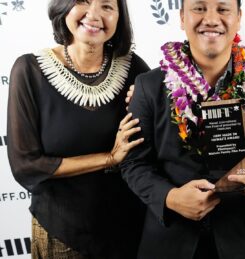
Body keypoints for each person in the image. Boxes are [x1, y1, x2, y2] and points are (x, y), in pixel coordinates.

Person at [120, 0, 245, 258]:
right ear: (181, 18)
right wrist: (170, 198)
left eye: (223, 9)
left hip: (240, 243)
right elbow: (133, 163)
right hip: (168, 243)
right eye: (199, 8)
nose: (211, 19)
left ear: (238, 18)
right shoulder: (149, 86)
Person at [7, 0, 150, 258]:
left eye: (107, 6)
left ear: (119, 17)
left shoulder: (135, 69)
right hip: (63, 232)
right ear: (64, 7)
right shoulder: (30, 71)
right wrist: (109, 158)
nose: (94, 14)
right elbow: (26, 165)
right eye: (83, 1)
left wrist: (151, 103)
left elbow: (155, 146)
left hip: (129, 230)